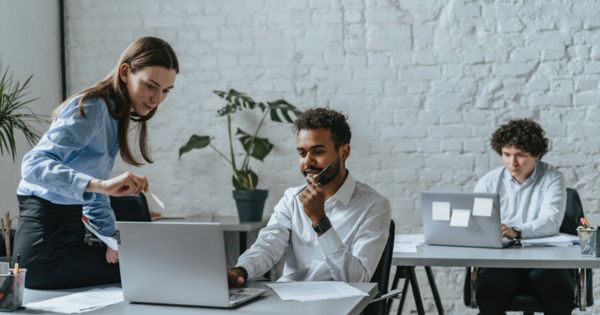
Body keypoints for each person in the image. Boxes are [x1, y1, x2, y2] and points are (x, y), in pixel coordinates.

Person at [13, 37, 179, 289]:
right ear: (125, 72)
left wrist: (114, 242)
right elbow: (33, 165)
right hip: (44, 248)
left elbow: (94, 194)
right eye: (150, 86)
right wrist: (100, 184)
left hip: (66, 237)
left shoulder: (113, 114)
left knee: (141, 265)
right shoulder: (94, 107)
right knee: (145, 269)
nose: (157, 98)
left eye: (166, 91)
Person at [227, 108, 391, 286]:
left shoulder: (374, 205)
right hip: (288, 300)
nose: (308, 162)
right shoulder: (291, 199)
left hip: (340, 306)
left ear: (344, 152)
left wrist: (320, 221)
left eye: (318, 152)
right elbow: (268, 245)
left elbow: (358, 281)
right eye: (302, 153)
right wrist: (241, 269)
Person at [474, 119, 575, 315]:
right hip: (502, 261)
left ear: (536, 155)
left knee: (560, 292)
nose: (512, 163)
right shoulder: (489, 182)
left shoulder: (552, 178)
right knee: (488, 291)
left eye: (521, 155)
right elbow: (477, 223)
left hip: (545, 261)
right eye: (506, 155)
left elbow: (551, 221)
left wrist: (517, 231)